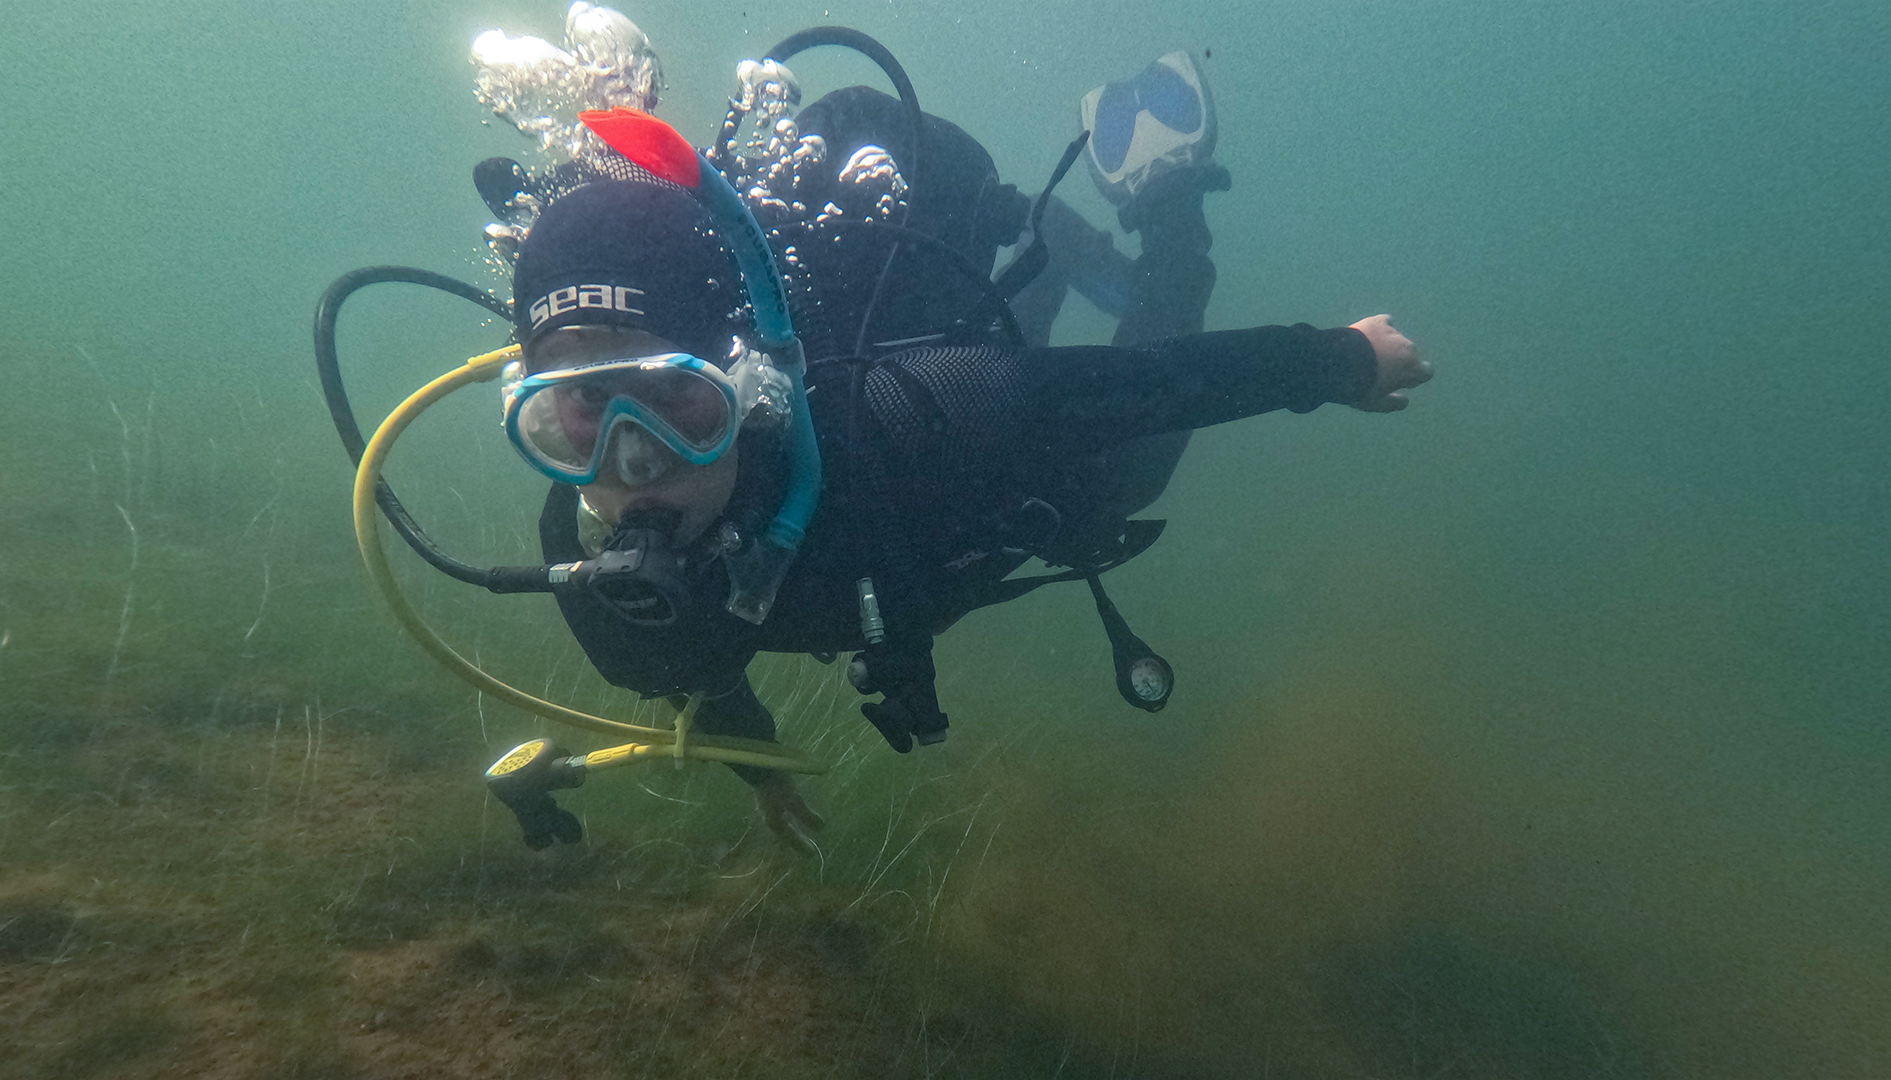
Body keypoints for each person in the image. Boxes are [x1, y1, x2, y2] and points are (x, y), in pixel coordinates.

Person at [474, 23, 1430, 849]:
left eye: (677, 401)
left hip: (968, 463)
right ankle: (1041, 275)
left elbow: (1144, 386)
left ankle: (1165, 194)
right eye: (584, 410)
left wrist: (1339, 360)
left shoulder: (904, 418)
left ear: (749, 390)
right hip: (936, 516)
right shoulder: (588, 552)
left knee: (1126, 476)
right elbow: (699, 661)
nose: (633, 463)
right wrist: (761, 771)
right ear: (540, 413)